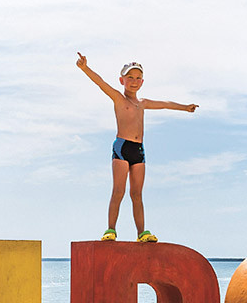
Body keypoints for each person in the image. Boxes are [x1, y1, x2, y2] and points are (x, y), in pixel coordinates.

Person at [75, 53, 198, 243]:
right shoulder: (118, 98)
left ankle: (142, 233)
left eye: (137, 78)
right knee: (118, 191)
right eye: (130, 77)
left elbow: (165, 104)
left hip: (139, 150)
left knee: (137, 194)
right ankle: (111, 230)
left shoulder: (143, 103)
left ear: (142, 82)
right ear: (121, 80)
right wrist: (84, 68)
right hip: (122, 147)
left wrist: (185, 107)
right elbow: (101, 83)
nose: (134, 81)